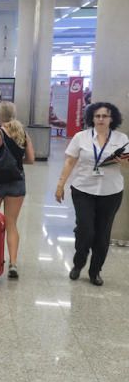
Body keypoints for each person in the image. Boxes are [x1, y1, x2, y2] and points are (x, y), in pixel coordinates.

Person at [55, 102, 129, 286]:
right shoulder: (81, 137)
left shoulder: (121, 139)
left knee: (103, 235)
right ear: (91, 118)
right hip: (83, 190)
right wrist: (60, 184)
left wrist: (122, 161)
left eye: (105, 116)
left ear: (112, 119)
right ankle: (78, 263)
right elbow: (70, 162)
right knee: (85, 230)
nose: (101, 119)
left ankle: (95, 271)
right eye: (97, 116)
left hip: (111, 192)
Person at [0, 101, 34, 279]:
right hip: (17, 182)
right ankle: (13, 263)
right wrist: (16, 163)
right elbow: (31, 159)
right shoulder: (22, 132)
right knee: (11, 224)